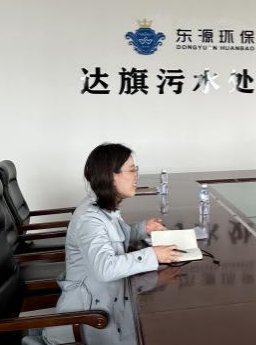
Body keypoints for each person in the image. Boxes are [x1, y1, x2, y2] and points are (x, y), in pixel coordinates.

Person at [43, 143, 182, 345]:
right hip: (85, 324)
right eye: (132, 170)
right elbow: (105, 268)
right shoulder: (89, 219)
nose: (137, 176)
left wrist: (142, 229)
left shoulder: (103, 207)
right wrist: (153, 255)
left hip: (108, 308)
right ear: (110, 176)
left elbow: (113, 238)